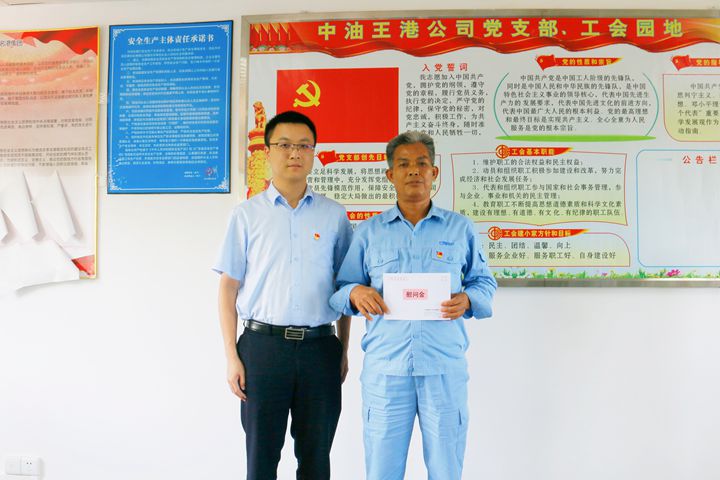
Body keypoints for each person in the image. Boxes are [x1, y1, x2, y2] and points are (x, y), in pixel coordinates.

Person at [329, 131, 497, 480]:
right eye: (404, 164)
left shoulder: (460, 229)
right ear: (390, 175)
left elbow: (484, 283)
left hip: (443, 368)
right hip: (386, 370)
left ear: (434, 173)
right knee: (382, 471)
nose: (414, 171)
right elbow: (340, 290)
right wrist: (356, 293)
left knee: (446, 469)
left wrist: (468, 299)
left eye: (422, 163)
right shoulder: (369, 232)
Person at [215, 111, 352, 480]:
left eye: (304, 146)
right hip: (262, 349)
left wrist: (343, 349)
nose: (295, 153)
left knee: (316, 459)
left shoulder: (334, 216)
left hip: (319, 349)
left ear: (313, 152)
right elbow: (228, 287)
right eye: (285, 145)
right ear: (268, 152)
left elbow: (345, 287)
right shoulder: (246, 216)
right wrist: (232, 356)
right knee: (261, 459)